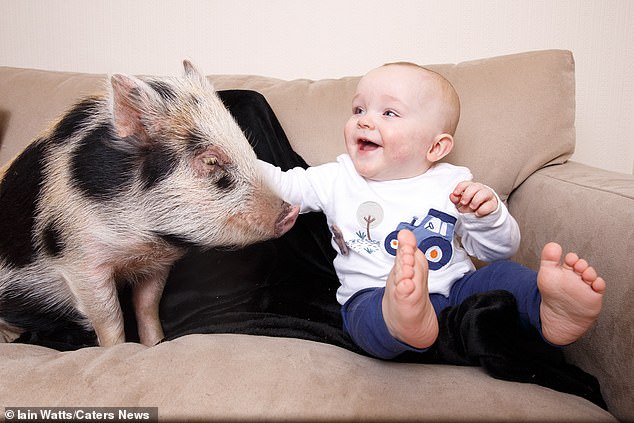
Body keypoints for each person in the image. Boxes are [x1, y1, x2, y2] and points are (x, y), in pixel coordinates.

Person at [259, 62, 605, 359]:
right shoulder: (337, 176)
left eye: (389, 113)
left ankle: (546, 308)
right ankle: (401, 320)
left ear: (436, 147)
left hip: (456, 290)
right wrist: (234, 162)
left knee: (502, 276)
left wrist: (487, 215)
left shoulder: (453, 183)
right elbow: (283, 186)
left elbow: (498, 250)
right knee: (364, 318)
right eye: (358, 110)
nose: (364, 121)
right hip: (375, 295)